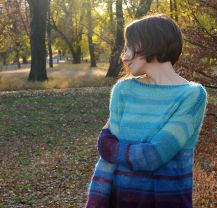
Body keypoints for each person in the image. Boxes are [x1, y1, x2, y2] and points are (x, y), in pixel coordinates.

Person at [85, 14, 208, 208]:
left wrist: (110, 146)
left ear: (148, 43)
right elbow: (105, 156)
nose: (124, 56)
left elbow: (152, 156)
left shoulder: (192, 95)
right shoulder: (123, 90)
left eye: (129, 46)